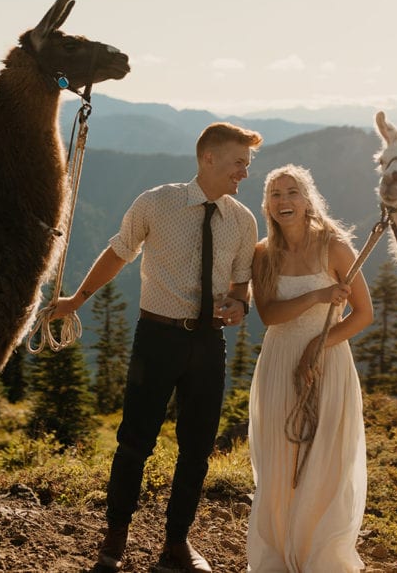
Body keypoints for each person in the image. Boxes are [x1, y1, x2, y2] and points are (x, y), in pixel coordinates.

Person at [53, 122, 264, 573]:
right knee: (134, 441)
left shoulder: (243, 221)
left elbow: (241, 281)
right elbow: (118, 251)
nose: (244, 173)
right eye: (238, 163)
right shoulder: (155, 201)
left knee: (197, 447)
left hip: (209, 342)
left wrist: (240, 303)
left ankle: (176, 543)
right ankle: (115, 535)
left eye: (248, 164)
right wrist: (77, 299)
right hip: (157, 338)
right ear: (208, 157)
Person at [246, 164, 373, 572]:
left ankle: (320, 557)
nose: (284, 201)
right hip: (281, 360)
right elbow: (268, 314)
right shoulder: (263, 253)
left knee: (324, 462)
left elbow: (363, 313)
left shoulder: (335, 247)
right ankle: (282, 554)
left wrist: (319, 345)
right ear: (267, 204)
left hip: (328, 361)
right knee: (281, 462)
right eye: (276, 194)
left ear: (307, 199)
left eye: (292, 192)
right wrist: (318, 294)